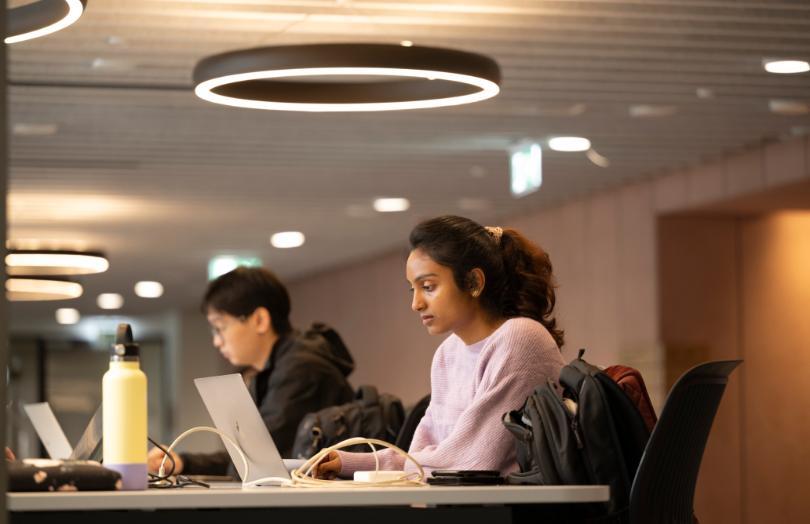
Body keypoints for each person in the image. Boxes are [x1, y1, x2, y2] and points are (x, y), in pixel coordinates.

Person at [314, 215, 566, 479]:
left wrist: (380, 469)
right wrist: (350, 464)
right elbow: (425, 455)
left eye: (428, 286)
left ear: (474, 283)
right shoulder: (448, 353)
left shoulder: (520, 338)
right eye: (413, 290)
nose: (416, 304)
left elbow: (472, 462)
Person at [148, 266, 355, 477]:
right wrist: (183, 462)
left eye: (220, 327)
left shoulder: (301, 369)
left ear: (259, 320)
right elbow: (245, 458)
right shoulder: (278, 368)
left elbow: (257, 462)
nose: (217, 341)